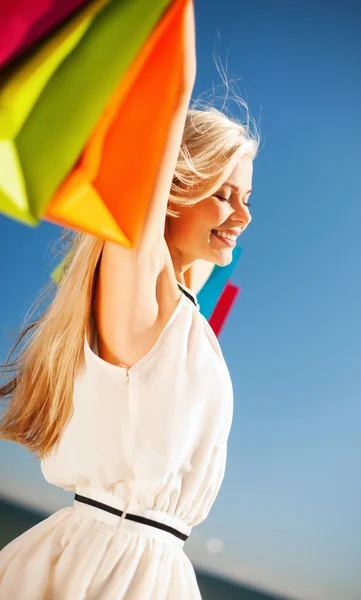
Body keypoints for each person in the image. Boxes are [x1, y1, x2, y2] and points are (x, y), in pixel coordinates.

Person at [0, 2, 258, 598]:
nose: (243, 214)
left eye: (248, 198)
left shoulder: (186, 316)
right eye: (224, 194)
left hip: (153, 571)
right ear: (170, 189)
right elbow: (166, 106)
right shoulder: (142, 288)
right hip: (107, 569)